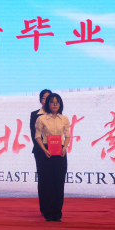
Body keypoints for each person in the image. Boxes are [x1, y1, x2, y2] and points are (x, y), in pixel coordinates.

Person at [34, 93, 69, 222]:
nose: (55, 104)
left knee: (59, 183)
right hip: (46, 152)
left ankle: (57, 213)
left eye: (57, 102)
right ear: (48, 104)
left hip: (60, 152)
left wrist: (64, 148)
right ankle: (48, 213)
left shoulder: (64, 119)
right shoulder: (41, 119)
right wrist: (44, 150)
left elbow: (67, 136)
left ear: (60, 104)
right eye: (52, 102)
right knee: (47, 183)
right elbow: (37, 136)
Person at [30, 89, 52, 215]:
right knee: (43, 179)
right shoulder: (35, 115)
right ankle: (44, 208)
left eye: (49, 98)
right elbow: (34, 134)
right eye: (44, 98)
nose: (46, 100)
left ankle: (53, 206)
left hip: (54, 151)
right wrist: (43, 149)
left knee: (53, 179)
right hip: (40, 151)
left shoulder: (56, 114)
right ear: (40, 100)